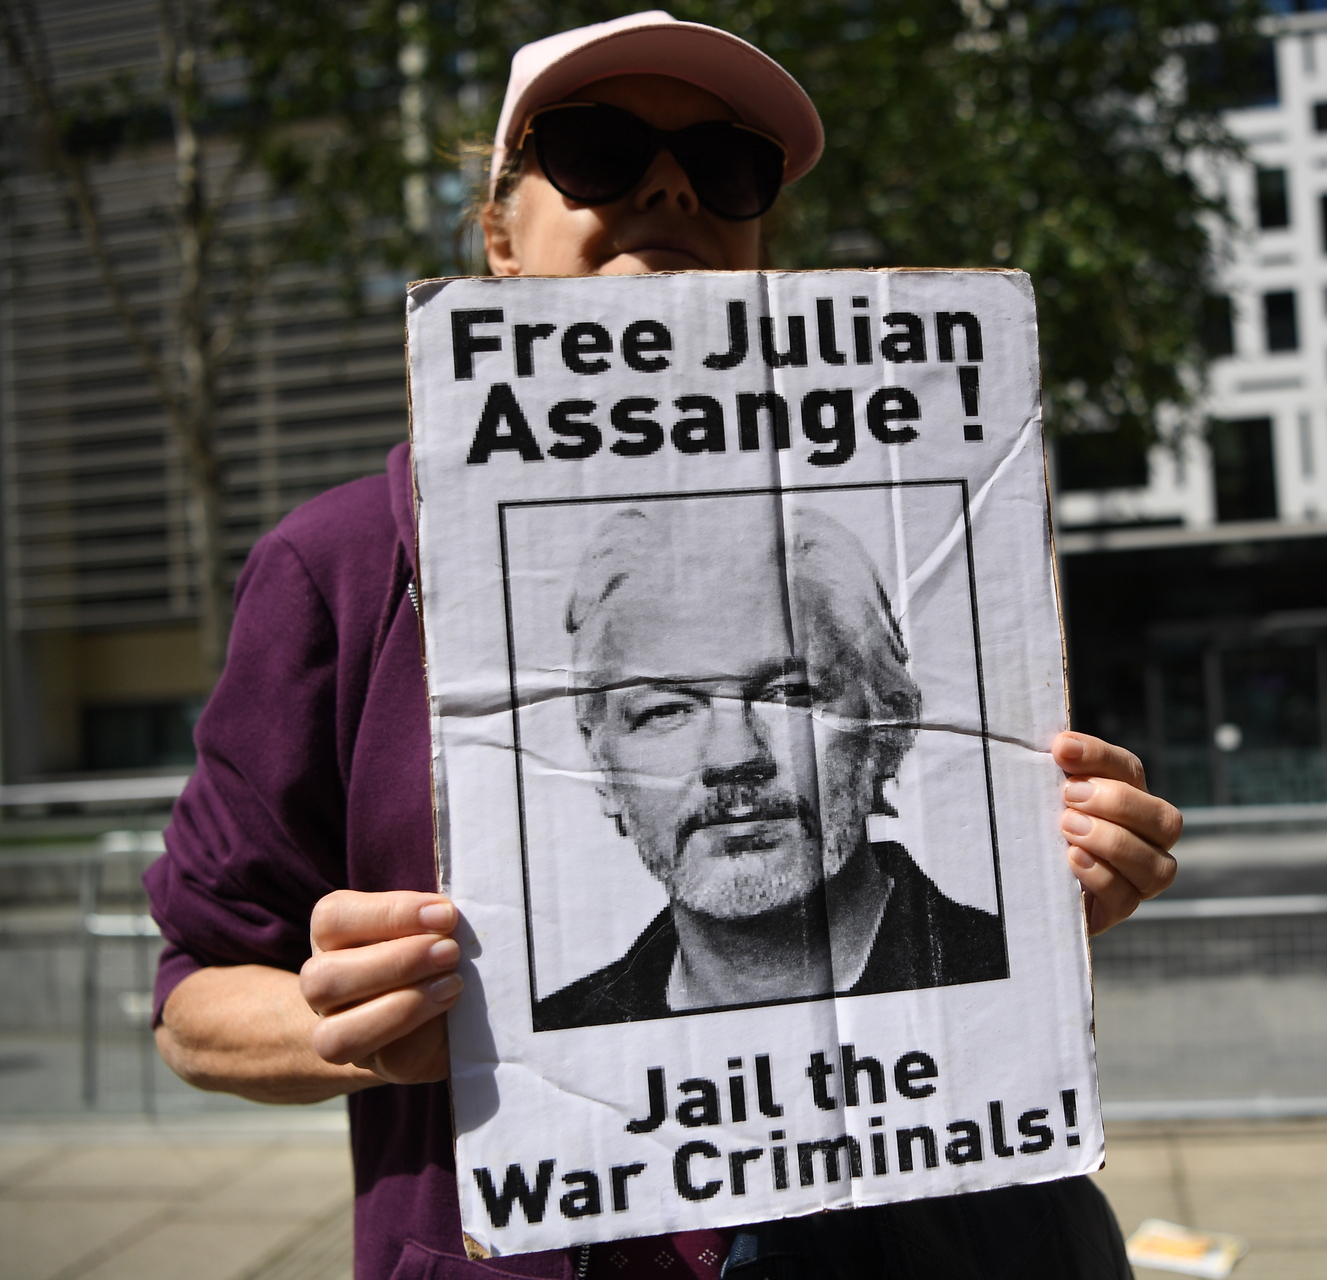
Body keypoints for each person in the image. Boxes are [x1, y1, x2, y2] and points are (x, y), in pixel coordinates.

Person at [143, 13, 1181, 1280]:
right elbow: (195, 996)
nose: (672, 187)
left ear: (889, 720)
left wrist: (1070, 871)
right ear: (500, 237)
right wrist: (342, 1026)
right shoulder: (345, 567)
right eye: (596, 150)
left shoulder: (930, 514)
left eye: (728, 168)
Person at [535, 501, 1004, 1029]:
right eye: (666, 711)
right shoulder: (551, 1038)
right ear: (602, 769)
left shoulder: (1023, 977)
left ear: (886, 726)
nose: (734, 758)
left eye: (788, 696)